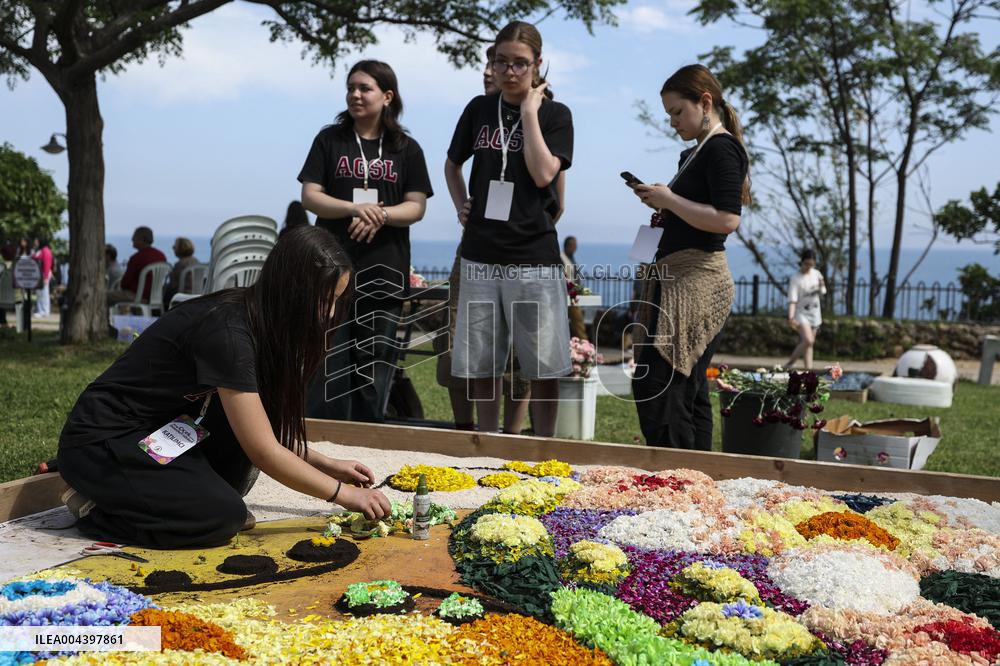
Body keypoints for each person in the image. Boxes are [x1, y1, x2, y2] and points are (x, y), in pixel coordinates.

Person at [57, 226, 391, 549]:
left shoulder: (260, 321)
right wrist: (344, 494)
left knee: (229, 482)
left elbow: (260, 431)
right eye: (323, 300)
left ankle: (150, 499)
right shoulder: (228, 332)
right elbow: (265, 451)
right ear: (292, 289)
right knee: (221, 517)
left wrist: (327, 463)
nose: (328, 313)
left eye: (335, 301)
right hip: (102, 442)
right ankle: (94, 508)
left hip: (157, 433)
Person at [444, 21, 574, 437]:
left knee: (543, 364)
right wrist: (460, 205)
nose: (509, 71)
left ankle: (543, 446)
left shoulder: (555, 114)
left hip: (533, 257)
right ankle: (488, 444)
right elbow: (452, 163)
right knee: (482, 362)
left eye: (520, 63)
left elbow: (542, 174)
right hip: (480, 252)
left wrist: (531, 112)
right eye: (501, 62)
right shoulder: (477, 109)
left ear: (537, 65)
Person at [299, 59, 433, 424]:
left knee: (374, 366)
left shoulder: (406, 148)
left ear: (387, 96)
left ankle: (368, 437)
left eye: (365, 88)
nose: (355, 95)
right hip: (330, 271)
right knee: (327, 360)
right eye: (351, 88)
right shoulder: (330, 139)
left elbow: (416, 206)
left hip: (384, 271)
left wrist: (381, 214)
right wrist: (354, 209)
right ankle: (321, 437)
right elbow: (310, 195)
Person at [629, 64, 750, 450]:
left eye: (677, 112)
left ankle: (678, 474)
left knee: (666, 384)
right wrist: (662, 201)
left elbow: (728, 219)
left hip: (696, 281)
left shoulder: (722, 148)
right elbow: (687, 211)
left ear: (705, 102)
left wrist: (669, 199)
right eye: (670, 115)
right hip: (673, 279)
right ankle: (695, 473)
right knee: (682, 385)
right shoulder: (695, 153)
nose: (673, 122)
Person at [786, 249, 826, 370]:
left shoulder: (817, 274)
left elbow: (823, 291)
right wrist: (791, 317)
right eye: (806, 264)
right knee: (808, 340)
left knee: (809, 344)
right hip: (801, 313)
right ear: (802, 262)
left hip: (814, 312)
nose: (809, 267)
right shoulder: (796, 278)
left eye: (811, 264)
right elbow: (792, 300)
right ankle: (790, 363)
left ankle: (809, 371)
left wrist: (821, 285)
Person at [107, 226, 167, 306]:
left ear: (142, 239)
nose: (132, 239)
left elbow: (125, 284)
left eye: (134, 236)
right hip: (156, 297)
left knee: (103, 295)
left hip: (138, 296)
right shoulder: (161, 256)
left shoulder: (137, 258)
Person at [561, 235, 588, 340]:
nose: (575, 248)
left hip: (572, 293)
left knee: (577, 321)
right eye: (574, 246)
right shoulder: (561, 258)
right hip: (568, 294)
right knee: (577, 320)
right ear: (568, 246)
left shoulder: (570, 258)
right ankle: (584, 343)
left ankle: (583, 343)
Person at [163, 237, 200, 305]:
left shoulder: (180, 264)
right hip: (196, 294)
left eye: (174, 247)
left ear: (179, 249)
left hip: (182, 294)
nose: (173, 248)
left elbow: (173, 285)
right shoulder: (196, 261)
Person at [31, 236, 53, 318]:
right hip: (40, 274)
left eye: (36, 241)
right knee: (40, 293)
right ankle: (42, 310)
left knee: (43, 293)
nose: (35, 242)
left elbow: (47, 265)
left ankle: (44, 311)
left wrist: (46, 277)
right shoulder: (42, 250)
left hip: (44, 274)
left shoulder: (45, 251)